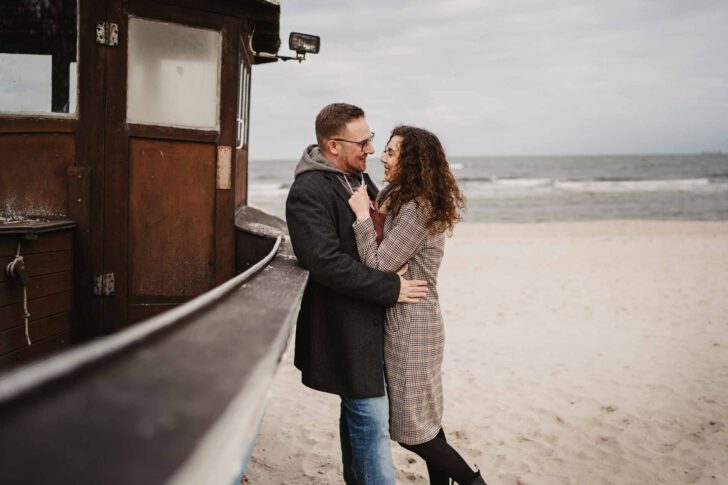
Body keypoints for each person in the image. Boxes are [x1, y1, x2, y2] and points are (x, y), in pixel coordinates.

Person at [285, 103, 429, 485]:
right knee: (372, 423)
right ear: (334, 146)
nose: (371, 149)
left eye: (371, 139)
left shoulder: (357, 178)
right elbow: (325, 262)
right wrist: (390, 286)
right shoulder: (307, 191)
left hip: (373, 328)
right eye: (363, 143)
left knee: (360, 422)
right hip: (345, 329)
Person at [347, 126, 488, 485]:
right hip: (411, 322)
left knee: (413, 432)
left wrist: (362, 216)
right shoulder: (397, 196)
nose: (382, 157)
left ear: (412, 161)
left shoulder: (417, 207)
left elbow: (377, 264)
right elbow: (385, 262)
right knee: (427, 424)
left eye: (392, 152)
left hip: (412, 327)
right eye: (386, 150)